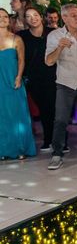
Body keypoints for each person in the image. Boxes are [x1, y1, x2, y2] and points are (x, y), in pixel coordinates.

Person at [45, 4, 77, 170]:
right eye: (73, 15)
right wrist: (60, 47)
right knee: (61, 119)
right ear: (64, 18)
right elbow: (49, 61)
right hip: (65, 83)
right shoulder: (55, 36)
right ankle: (57, 154)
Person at [0, 8, 36, 159]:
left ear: (9, 19)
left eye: (5, 16)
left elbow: (22, 60)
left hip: (12, 80)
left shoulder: (16, 39)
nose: (2, 19)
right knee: (2, 116)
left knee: (17, 114)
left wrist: (18, 77)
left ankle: (21, 148)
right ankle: (3, 150)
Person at [19, 8, 56, 152]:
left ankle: (60, 140)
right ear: (25, 20)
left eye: (35, 15)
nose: (32, 18)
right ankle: (48, 139)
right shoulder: (22, 36)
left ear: (41, 17)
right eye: (28, 16)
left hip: (54, 76)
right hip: (34, 79)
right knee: (44, 109)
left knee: (55, 109)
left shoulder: (53, 33)